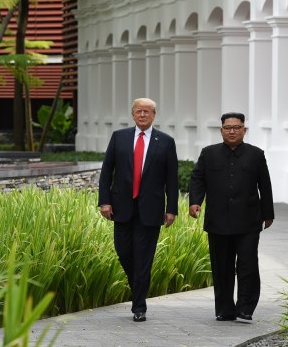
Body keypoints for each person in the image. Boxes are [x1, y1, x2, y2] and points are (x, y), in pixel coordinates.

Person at [98, 97, 179, 322]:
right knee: (123, 251)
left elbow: (171, 179)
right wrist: (104, 202)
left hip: (150, 210)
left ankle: (139, 306)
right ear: (133, 114)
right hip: (121, 207)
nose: (142, 115)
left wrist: (171, 208)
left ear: (154, 115)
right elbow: (106, 172)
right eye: (138, 111)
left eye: (147, 112)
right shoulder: (119, 138)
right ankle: (139, 287)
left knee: (143, 258)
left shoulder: (165, 141)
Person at [188, 112, 274, 323]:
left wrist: (268, 213)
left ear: (244, 129)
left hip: (248, 221)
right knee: (222, 267)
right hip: (218, 221)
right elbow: (198, 178)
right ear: (221, 130)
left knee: (248, 265)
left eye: (237, 127)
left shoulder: (256, 154)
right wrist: (195, 201)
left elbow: (265, 185)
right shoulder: (209, 154)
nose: (232, 131)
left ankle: (245, 309)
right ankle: (225, 310)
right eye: (228, 127)